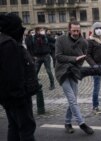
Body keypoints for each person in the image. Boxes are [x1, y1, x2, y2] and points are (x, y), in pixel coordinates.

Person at [0, 13, 38, 141]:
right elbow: (13, 74)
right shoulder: (9, 44)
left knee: (14, 126)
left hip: (9, 96)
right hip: (17, 97)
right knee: (26, 128)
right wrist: (20, 95)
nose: (22, 29)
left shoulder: (5, 41)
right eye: (19, 26)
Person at [55, 20, 94, 135]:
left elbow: (83, 58)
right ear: (69, 30)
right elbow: (58, 57)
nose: (76, 32)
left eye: (78, 30)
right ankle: (82, 123)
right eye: (74, 30)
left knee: (73, 100)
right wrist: (74, 59)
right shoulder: (60, 40)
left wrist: (79, 60)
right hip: (62, 72)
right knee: (72, 99)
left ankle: (67, 122)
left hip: (74, 72)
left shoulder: (84, 42)